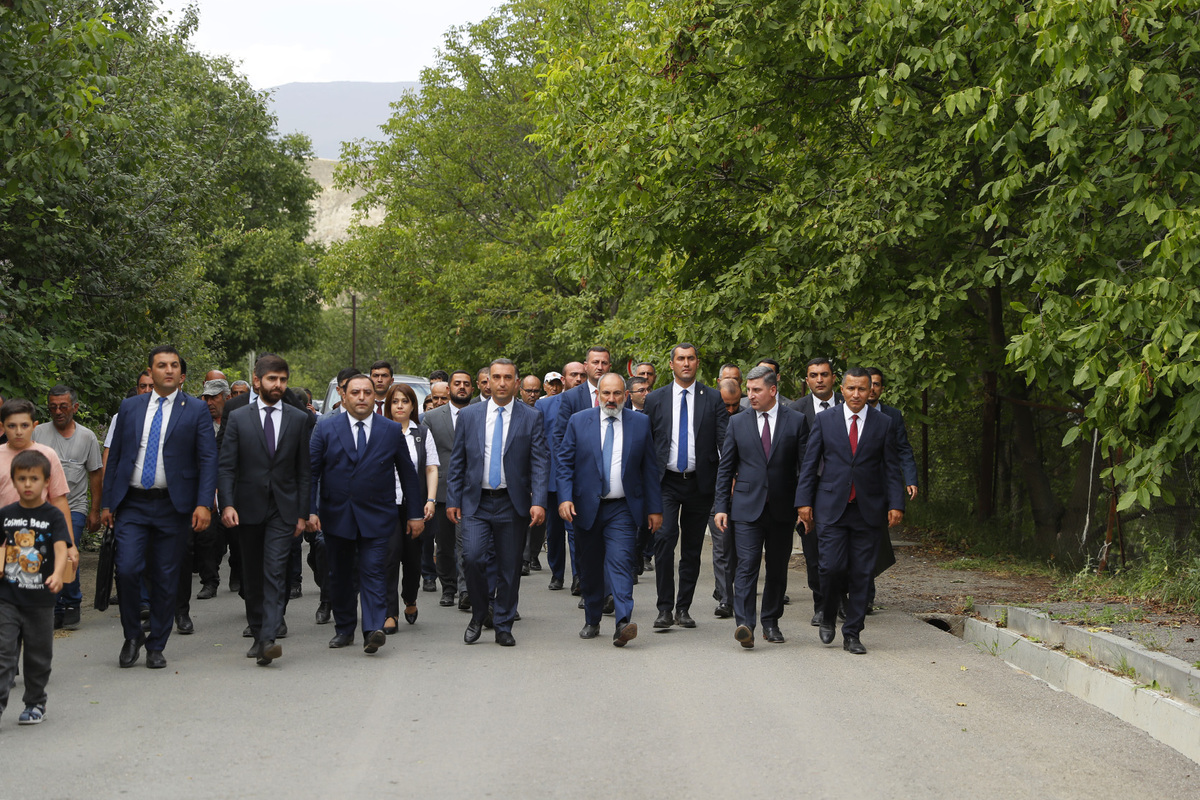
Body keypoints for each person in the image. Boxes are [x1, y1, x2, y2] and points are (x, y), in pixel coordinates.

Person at [101, 346, 218, 670]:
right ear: (150, 372)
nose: (168, 370)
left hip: (173, 506)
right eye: (162, 365)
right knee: (127, 569)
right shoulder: (130, 407)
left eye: (174, 365)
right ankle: (132, 635)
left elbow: (208, 459)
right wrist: (108, 502)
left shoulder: (196, 409)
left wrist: (203, 504)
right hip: (133, 504)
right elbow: (116, 457)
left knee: (167, 577)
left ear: (181, 374)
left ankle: (156, 645)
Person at [308, 374, 423, 654]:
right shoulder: (325, 428)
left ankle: (373, 629)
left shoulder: (390, 430)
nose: (362, 397)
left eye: (367, 392)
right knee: (341, 575)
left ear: (375, 397)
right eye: (355, 392)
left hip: (378, 515)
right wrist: (309, 510)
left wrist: (415, 514)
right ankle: (344, 628)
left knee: (374, 571)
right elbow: (311, 473)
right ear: (343, 396)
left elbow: (408, 474)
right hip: (337, 516)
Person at [797, 367, 905, 655]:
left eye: (862, 389)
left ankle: (853, 633)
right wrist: (804, 502)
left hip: (868, 510)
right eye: (851, 388)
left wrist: (896, 504)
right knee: (830, 567)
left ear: (871, 391)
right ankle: (828, 613)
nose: (856, 394)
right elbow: (810, 464)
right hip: (831, 508)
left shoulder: (883, 423)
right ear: (842, 389)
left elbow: (891, 467)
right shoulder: (825, 420)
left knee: (862, 573)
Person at [446, 359, 548, 647]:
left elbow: (540, 462)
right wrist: (453, 498)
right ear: (487, 381)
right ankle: (480, 614)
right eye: (496, 377)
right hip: (476, 502)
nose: (501, 383)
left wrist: (539, 500)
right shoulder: (470, 415)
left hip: (512, 503)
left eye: (507, 377)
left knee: (510, 568)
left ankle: (503, 624)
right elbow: (458, 461)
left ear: (516, 383)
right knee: (472, 558)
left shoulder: (531, 417)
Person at [218, 355, 311, 666]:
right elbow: (227, 466)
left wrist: (302, 512)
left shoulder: (298, 419)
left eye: (283, 380)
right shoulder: (238, 417)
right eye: (272, 379)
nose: (278, 385)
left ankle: (270, 637)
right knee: (253, 574)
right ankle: (258, 632)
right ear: (257, 380)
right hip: (247, 507)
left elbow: (304, 471)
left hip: (283, 509)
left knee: (275, 570)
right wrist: (227, 503)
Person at [558, 374, 662, 646]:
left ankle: (623, 622)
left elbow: (649, 468)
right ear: (598, 395)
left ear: (626, 396)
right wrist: (564, 498)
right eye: (606, 393)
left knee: (621, 562)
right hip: (586, 508)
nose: (611, 399)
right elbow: (564, 464)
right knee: (590, 567)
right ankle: (592, 619)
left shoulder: (640, 423)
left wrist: (654, 508)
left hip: (622, 508)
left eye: (617, 393)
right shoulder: (579, 421)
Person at [713, 366, 809, 648]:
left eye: (756, 390)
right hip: (746, 507)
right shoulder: (737, 422)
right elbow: (726, 468)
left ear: (773, 390)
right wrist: (721, 506)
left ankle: (771, 622)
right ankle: (745, 625)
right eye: (749, 390)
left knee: (777, 568)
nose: (750, 395)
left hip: (782, 507)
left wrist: (804, 505)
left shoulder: (796, 421)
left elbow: (804, 468)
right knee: (746, 566)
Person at [644, 343, 727, 631]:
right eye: (681, 359)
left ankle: (683, 608)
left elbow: (724, 442)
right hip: (665, 482)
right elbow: (645, 443)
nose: (686, 363)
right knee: (665, 540)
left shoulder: (713, 398)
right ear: (672, 364)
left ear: (697, 363)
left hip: (699, 484)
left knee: (692, 548)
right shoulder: (655, 399)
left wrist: (727, 480)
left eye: (691, 358)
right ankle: (664, 608)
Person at [0, 450, 71, 726]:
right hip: (7, 596)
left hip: (41, 599)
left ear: (46, 481)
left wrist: (57, 574)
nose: (28, 484)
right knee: (4, 654)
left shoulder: (53, 516)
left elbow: (60, 547)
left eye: (34, 479)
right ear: (13, 481)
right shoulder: (5, 515)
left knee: (37, 655)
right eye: (22, 479)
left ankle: (35, 702)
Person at [33, 385, 101, 630]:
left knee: (67, 551)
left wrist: (95, 510)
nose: (58, 412)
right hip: (42, 507)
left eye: (63, 406)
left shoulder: (87, 437)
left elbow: (95, 474)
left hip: (74, 506)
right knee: (46, 555)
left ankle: (72, 602)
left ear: (75, 407)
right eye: (53, 407)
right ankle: (55, 607)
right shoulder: (38, 433)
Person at [789, 356, 844, 626]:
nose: (819, 380)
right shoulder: (796, 411)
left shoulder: (848, 405)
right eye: (814, 375)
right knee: (814, 552)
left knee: (844, 550)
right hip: (809, 491)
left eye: (824, 374)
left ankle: (842, 601)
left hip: (844, 491)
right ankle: (821, 605)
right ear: (807, 380)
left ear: (834, 378)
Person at [0, 401, 76, 589]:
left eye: (24, 425)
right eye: (12, 426)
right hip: (5, 541)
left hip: (41, 540)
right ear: (2, 427)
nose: (18, 431)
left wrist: (70, 544)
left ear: (34, 426)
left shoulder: (47, 455)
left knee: (40, 590)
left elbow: (59, 500)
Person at [381, 382, 438, 635]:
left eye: (405, 401)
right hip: (387, 505)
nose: (400, 406)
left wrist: (430, 500)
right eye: (395, 401)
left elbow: (431, 468)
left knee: (413, 561)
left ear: (413, 405)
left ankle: (410, 598)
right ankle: (390, 613)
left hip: (414, 506)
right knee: (389, 557)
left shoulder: (422, 433)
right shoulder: (381, 431)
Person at [865, 367, 919, 612]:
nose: (871, 389)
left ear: (881, 389)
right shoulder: (844, 414)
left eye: (876, 384)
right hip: (853, 489)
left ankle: (866, 595)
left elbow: (903, 449)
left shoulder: (892, 416)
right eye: (868, 384)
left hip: (881, 490)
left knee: (874, 541)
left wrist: (910, 479)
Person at [423, 370, 472, 609]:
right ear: (449, 388)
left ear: (472, 388)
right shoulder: (431, 418)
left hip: (472, 489)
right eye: (457, 383)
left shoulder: (480, 413)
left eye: (466, 383)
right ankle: (449, 588)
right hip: (442, 489)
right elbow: (426, 457)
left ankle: (465, 590)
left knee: (467, 544)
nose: (461, 387)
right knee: (444, 544)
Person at [709, 376, 744, 618]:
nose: (730, 410)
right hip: (715, 491)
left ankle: (736, 593)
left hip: (743, 492)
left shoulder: (746, 420)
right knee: (722, 545)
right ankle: (725, 599)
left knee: (740, 548)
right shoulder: (708, 421)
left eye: (735, 404)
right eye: (726, 405)